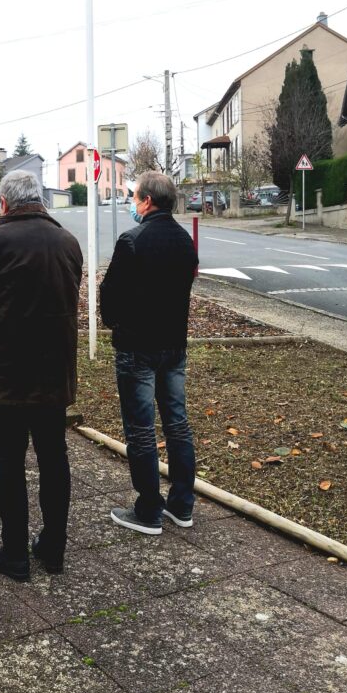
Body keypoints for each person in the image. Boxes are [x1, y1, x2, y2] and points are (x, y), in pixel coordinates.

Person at [0, 170, 83, 580]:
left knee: (8, 463)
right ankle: (54, 548)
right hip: (52, 371)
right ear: (40, 200)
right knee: (54, 459)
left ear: (4, 203)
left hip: (5, 374)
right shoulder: (67, 241)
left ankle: (14, 553)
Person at [100, 170, 199, 535]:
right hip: (174, 348)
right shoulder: (185, 242)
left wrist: (118, 325)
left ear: (146, 201)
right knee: (177, 424)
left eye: (134, 196)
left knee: (141, 431)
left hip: (137, 348)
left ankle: (147, 511)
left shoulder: (132, 240)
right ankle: (182, 504)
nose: (132, 202)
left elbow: (109, 298)